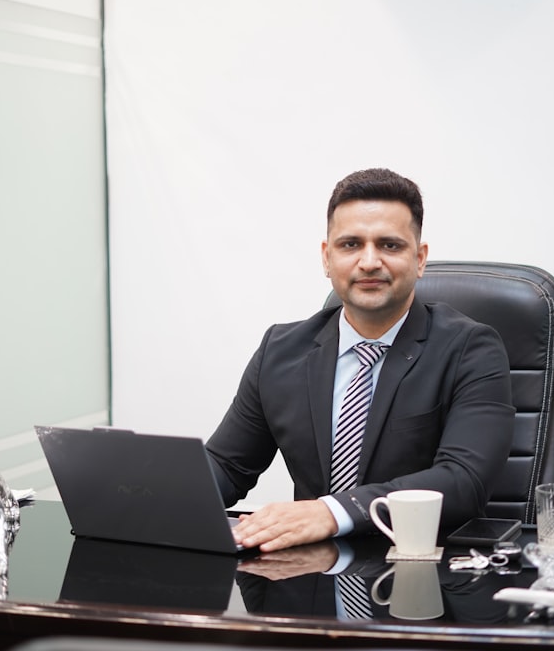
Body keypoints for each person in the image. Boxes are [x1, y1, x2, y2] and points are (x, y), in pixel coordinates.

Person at [206, 168, 514, 553]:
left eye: (389, 245)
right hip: (308, 579)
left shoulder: (471, 349)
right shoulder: (281, 350)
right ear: (327, 258)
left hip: (421, 580)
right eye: (351, 245)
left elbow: (463, 480)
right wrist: (148, 493)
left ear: (419, 259)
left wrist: (332, 512)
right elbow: (225, 466)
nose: (369, 262)